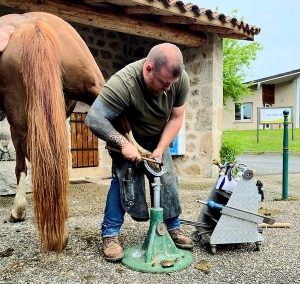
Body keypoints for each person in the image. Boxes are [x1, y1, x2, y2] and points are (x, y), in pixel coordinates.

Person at [85, 42, 193, 262]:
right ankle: (110, 234)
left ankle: (173, 227)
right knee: (125, 181)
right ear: (148, 69)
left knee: (167, 178)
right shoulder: (123, 83)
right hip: (126, 136)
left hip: (158, 138)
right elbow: (94, 118)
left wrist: (160, 149)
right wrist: (123, 144)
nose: (168, 89)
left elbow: (176, 117)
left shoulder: (179, 80)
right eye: (164, 83)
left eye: (172, 84)